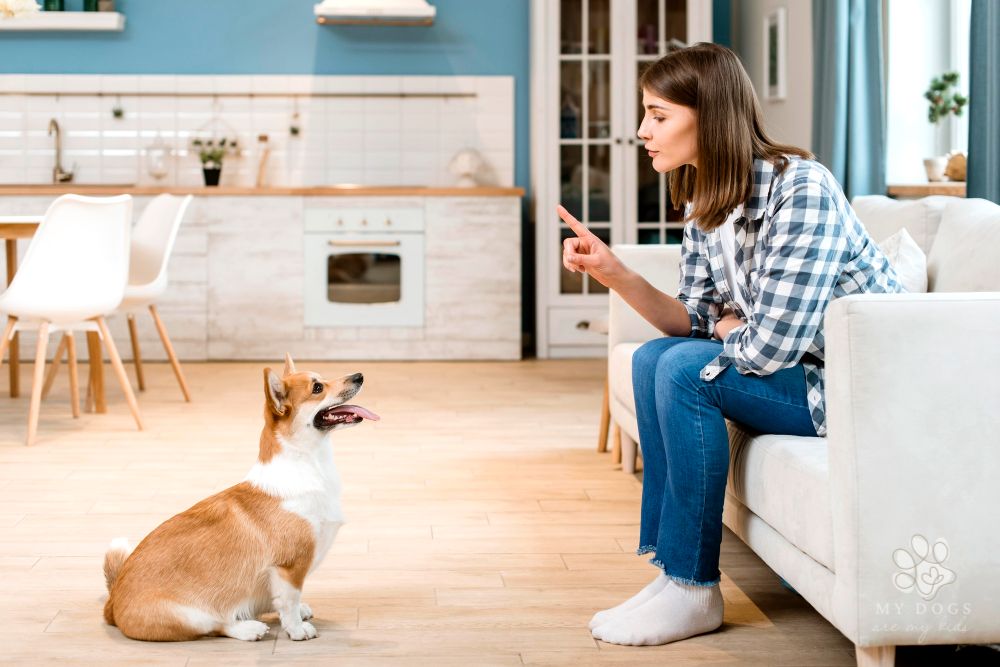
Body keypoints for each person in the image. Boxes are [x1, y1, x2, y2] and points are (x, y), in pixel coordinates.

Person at [559, 42, 904, 647]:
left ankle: (695, 588)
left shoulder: (801, 189)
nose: (642, 131)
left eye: (658, 115)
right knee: (653, 358)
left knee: (683, 372)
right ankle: (672, 573)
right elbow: (691, 320)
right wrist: (615, 273)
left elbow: (769, 348)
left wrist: (725, 327)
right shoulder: (706, 200)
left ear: (711, 116)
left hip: (855, 388)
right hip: (802, 370)